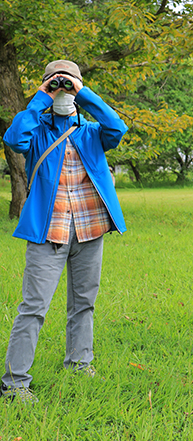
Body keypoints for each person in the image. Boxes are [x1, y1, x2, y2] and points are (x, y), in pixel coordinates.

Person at [1, 60, 128, 404]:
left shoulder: (89, 132)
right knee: (34, 307)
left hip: (89, 229)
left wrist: (83, 93)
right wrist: (41, 97)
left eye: (67, 85)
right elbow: (13, 139)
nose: (62, 91)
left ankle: (79, 363)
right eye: (56, 85)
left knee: (84, 303)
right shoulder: (38, 129)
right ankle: (14, 383)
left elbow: (117, 128)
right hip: (49, 231)